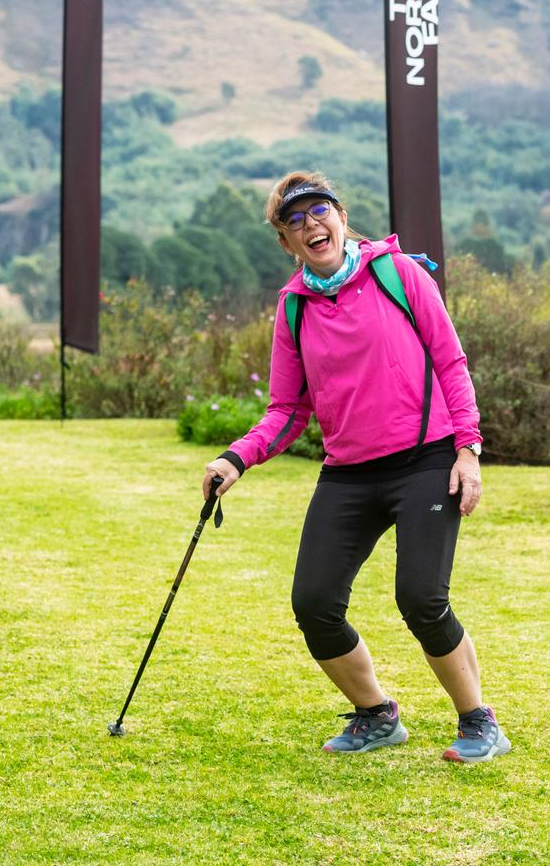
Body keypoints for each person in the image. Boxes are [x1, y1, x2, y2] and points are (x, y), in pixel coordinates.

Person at [202, 171, 511, 761]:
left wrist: (467, 449)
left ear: (341, 217)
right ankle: (377, 715)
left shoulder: (399, 274)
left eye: (319, 211)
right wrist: (236, 458)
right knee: (314, 603)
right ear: (286, 243)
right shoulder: (294, 308)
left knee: (421, 598)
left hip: (426, 460)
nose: (310, 225)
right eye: (294, 221)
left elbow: (450, 362)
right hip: (348, 470)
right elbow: (287, 409)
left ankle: (479, 721)